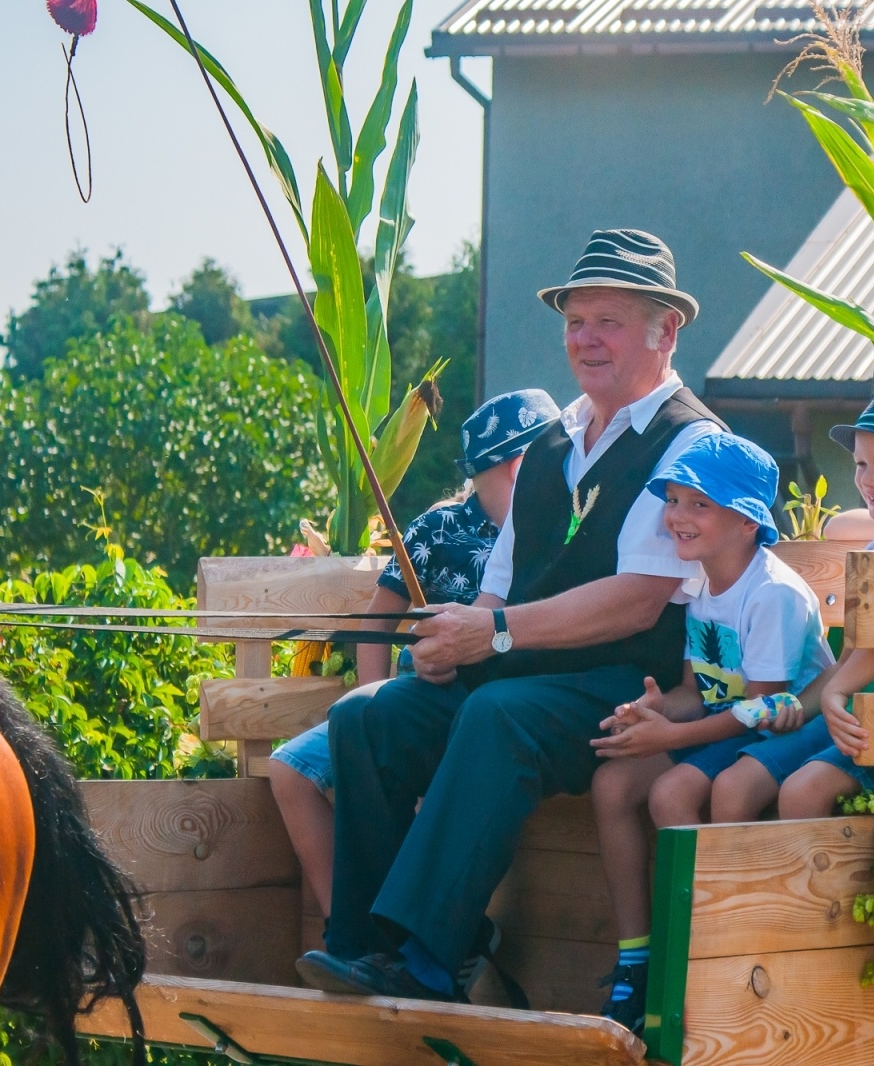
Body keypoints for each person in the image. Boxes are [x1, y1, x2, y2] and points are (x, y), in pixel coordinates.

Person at [294, 229, 726, 1004]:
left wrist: (493, 634)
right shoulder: (555, 441)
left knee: (499, 715)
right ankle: (362, 946)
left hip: (631, 688)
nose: (585, 339)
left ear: (665, 331)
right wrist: (453, 640)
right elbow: (502, 585)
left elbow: (638, 598)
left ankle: (429, 960)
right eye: (575, 322)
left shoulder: (690, 442)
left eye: (609, 322)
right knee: (368, 716)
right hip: (523, 669)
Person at [268, 389, 559, 930]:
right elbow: (377, 625)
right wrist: (367, 700)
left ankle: (435, 936)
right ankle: (347, 929)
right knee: (290, 769)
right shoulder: (438, 527)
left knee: (428, 788)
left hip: (491, 713)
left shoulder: (559, 534)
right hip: (413, 699)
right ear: (517, 467)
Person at [587, 433, 833, 1032]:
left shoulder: (770, 594)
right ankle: (639, 959)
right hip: (736, 723)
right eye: (674, 500)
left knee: (673, 793)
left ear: (748, 522)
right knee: (612, 784)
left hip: (786, 725)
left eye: (700, 504)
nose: (678, 516)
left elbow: (764, 708)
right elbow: (698, 692)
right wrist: (653, 712)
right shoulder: (698, 585)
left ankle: (706, 957)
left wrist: (669, 739)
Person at [710, 382, 874, 820]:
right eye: (860, 464)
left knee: (801, 793)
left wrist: (837, 692)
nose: (867, 480)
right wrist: (800, 706)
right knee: (734, 785)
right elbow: (850, 659)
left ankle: (798, 871)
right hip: (855, 717)